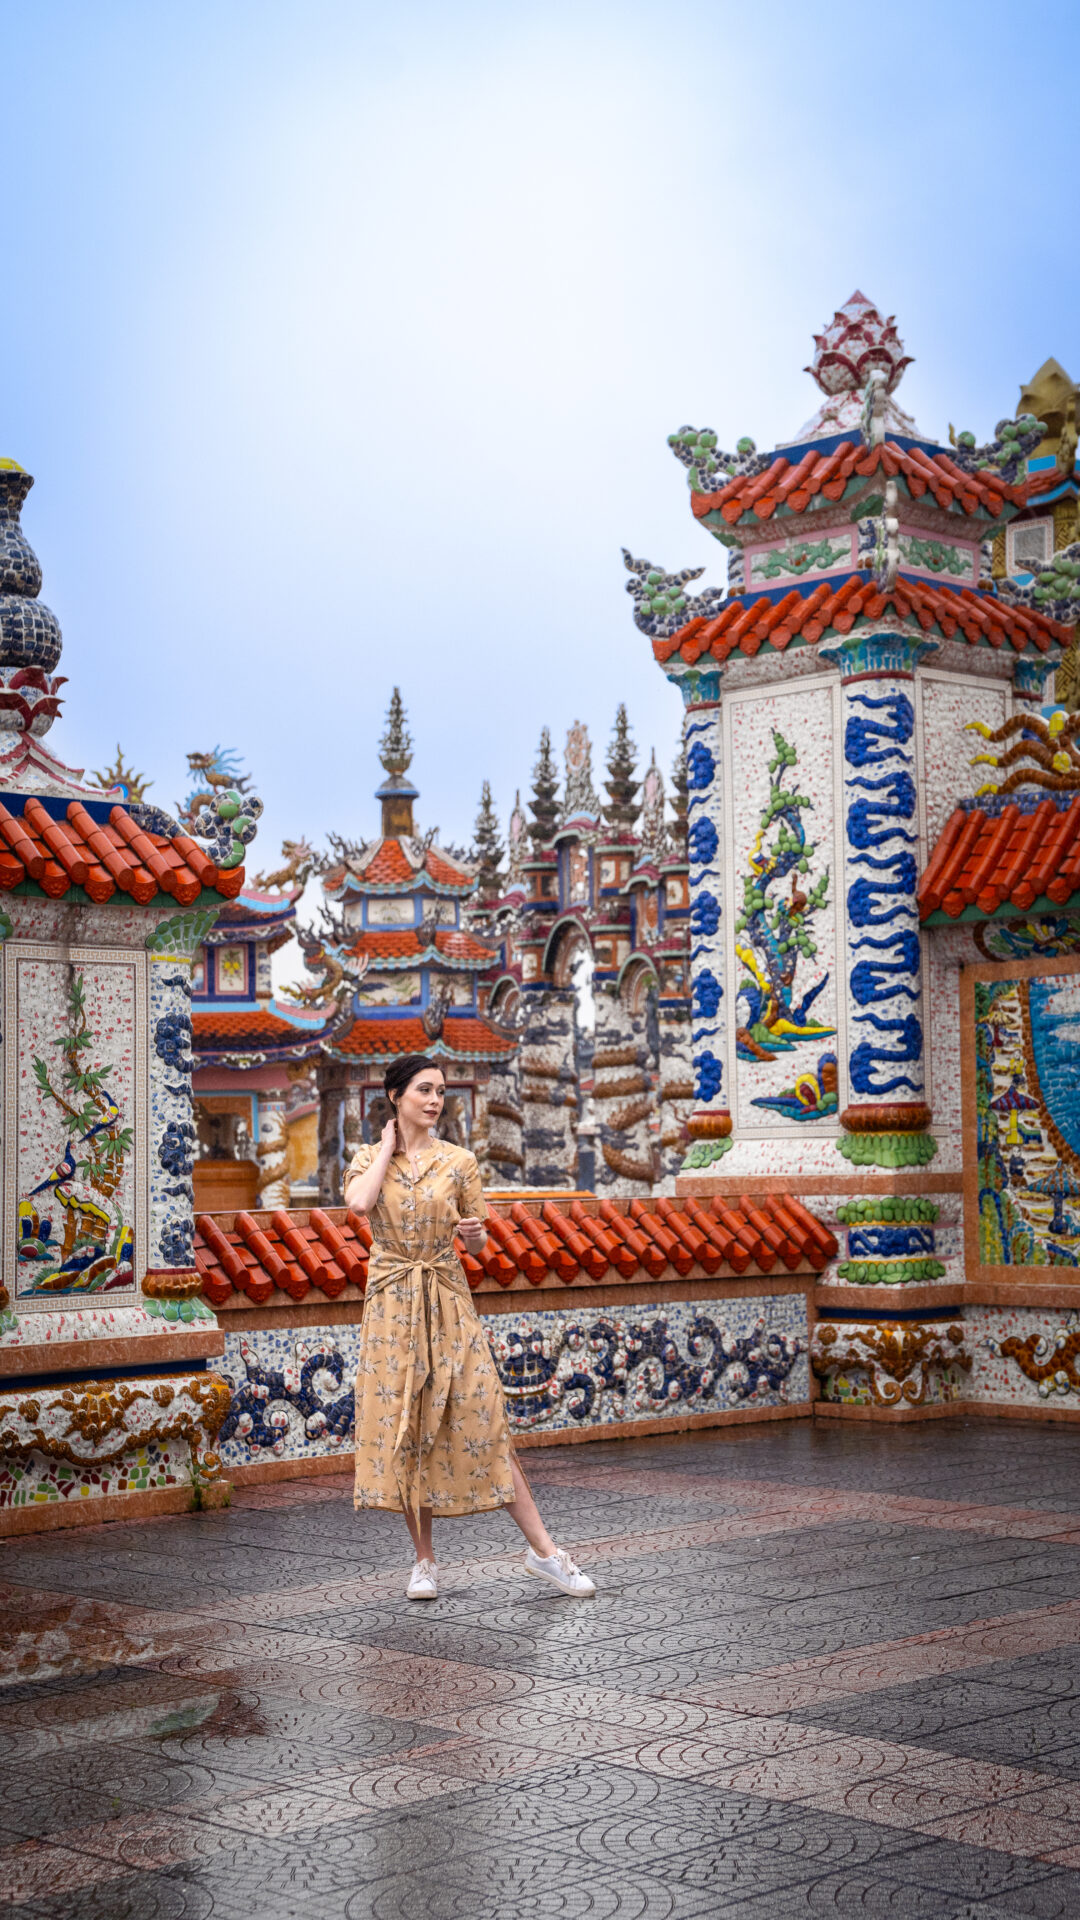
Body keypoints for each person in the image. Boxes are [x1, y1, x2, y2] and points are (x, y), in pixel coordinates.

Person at [344, 1053, 595, 1602]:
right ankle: (424, 1562)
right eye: (424, 1091)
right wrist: (389, 1145)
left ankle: (546, 1554)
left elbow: (479, 1245)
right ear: (396, 1096)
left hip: (448, 1299)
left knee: (484, 1417)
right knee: (408, 1426)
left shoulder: (459, 1161)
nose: (435, 1101)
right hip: (392, 1307)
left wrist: (475, 1234)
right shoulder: (367, 1158)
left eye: (440, 1092)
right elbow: (359, 1204)